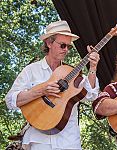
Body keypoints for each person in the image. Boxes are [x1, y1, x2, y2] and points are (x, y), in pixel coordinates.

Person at [5, 20, 100, 150]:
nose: (66, 50)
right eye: (62, 45)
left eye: (69, 46)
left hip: (69, 141)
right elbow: (10, 101)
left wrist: (93, 67)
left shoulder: (72, 73)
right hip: (39, 142)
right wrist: (41, 91)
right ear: (49, 43)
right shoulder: (31, 70)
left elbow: (91, 95)